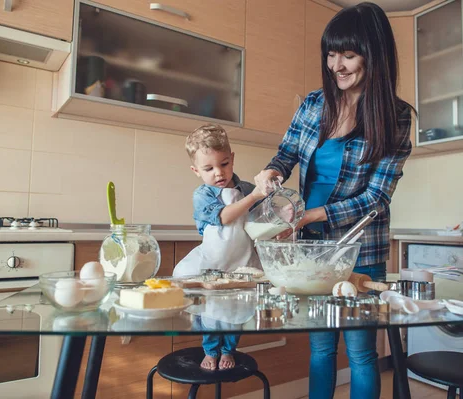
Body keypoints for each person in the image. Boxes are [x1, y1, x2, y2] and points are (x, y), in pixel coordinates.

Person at [254, 3, 414, 398]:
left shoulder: (394, 117)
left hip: (360, 245)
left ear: (373, 55)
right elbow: (286, 153)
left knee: (360, 352)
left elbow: (377, 196)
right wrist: (271, 172)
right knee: (321, 344)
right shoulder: (314, 104)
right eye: (330, 53)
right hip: (313, 245)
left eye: (348, 54)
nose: (336, 65)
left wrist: (313, 214)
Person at [173, 124, 265, 370]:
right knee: (212, 311)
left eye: (224, 164)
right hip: (214, 262)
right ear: (195, 170)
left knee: (237, 310)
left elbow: (262, 216)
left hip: (243, 262)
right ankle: (211, 350)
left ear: (232, 158)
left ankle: (228, 349)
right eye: (208, 168)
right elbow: (224, 217)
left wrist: (278, 210)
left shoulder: (245, 188)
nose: (218, 173)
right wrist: (254, 197)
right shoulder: (202, 195)